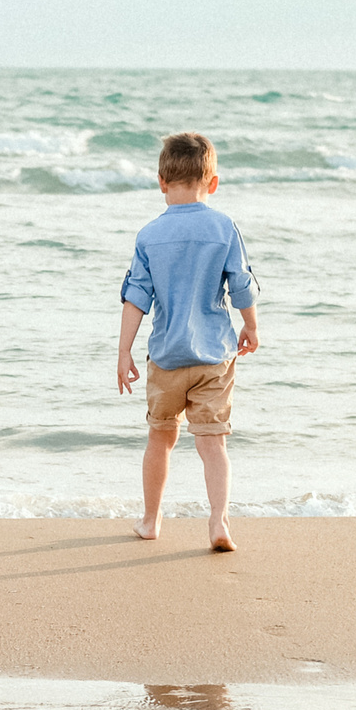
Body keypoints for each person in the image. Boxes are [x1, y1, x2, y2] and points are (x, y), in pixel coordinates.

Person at [116, 132, 262, 551]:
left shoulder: (149, 236)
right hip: (214, 355)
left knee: (160, 438)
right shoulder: (223, 228)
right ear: (212, 183)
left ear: (161, 181)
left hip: (166, 356)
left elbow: (136, 297)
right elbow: (241, 286)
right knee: (212, 443)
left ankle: (150, 520)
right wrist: (251, 326)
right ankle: (218, 521)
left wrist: (124, 351)